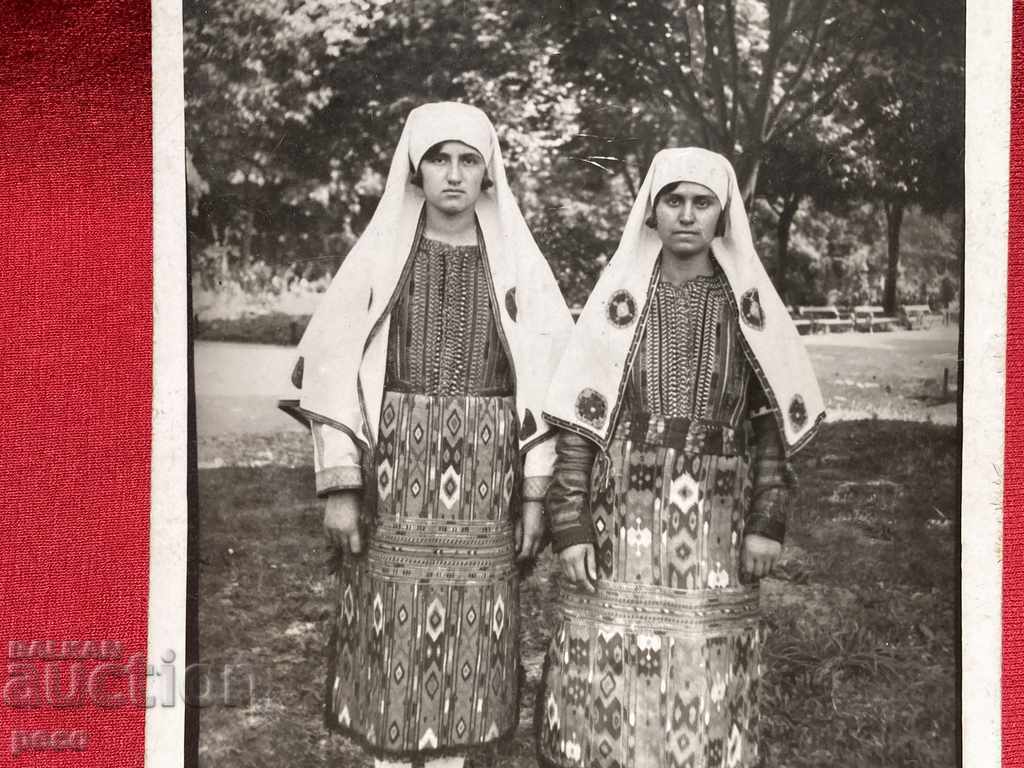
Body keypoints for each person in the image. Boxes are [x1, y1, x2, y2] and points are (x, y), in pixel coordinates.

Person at [292, 102, 573, 768]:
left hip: (487, 480)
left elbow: (549, 379)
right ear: (416, 169)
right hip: (393, 478)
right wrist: (339, 486)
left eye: (468, 160)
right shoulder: (379, 257)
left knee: (470, 638)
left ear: (488, 172)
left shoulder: (519, 267)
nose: (453, 174)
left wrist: (535, 495)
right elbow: (332, 372)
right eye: (439, 159)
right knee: (389, 631)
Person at [536, 148, 825, 768]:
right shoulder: (617, 304)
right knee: (610, 658)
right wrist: (570, 524)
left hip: (718, 520)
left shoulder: (748, 308)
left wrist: (768, 521)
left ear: (723, 215)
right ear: (651, 210)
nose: (687, 215)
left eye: (702, 203)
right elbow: (580, 424)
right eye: (673, 200)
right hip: (620, 518)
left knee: (705, 664)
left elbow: (769, 422)